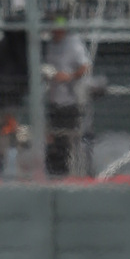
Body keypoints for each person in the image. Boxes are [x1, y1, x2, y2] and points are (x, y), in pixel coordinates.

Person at [44, 20, 89, 176]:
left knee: (68, 137)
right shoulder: (51, 45)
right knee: (53, 137)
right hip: (54, 100)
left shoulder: (73, 43)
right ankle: (56, 171)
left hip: (70, 101)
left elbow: (84, 66)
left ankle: (71, 171)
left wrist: (68, 77)